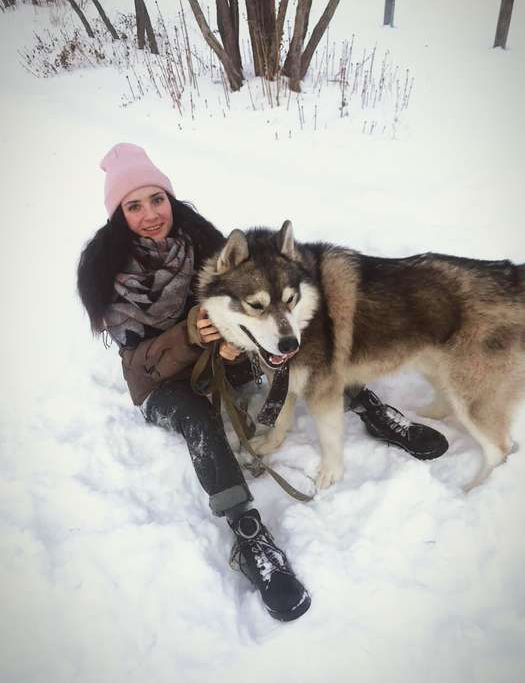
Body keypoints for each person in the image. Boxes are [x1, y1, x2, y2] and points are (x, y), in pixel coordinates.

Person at [77, 143, 448, 622]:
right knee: (198, 420)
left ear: (170, 199)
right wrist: (193, 335)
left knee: (292, 356)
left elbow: (248, 308)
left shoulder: (204, 243)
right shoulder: (107, 274)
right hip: (161, 384)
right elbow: (137, 367)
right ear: (117, 214)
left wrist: (232, 343)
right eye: (134, 205)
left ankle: (367, 405)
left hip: (215, 355)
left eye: (157, 199)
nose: (151, 214)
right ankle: (248, 531)